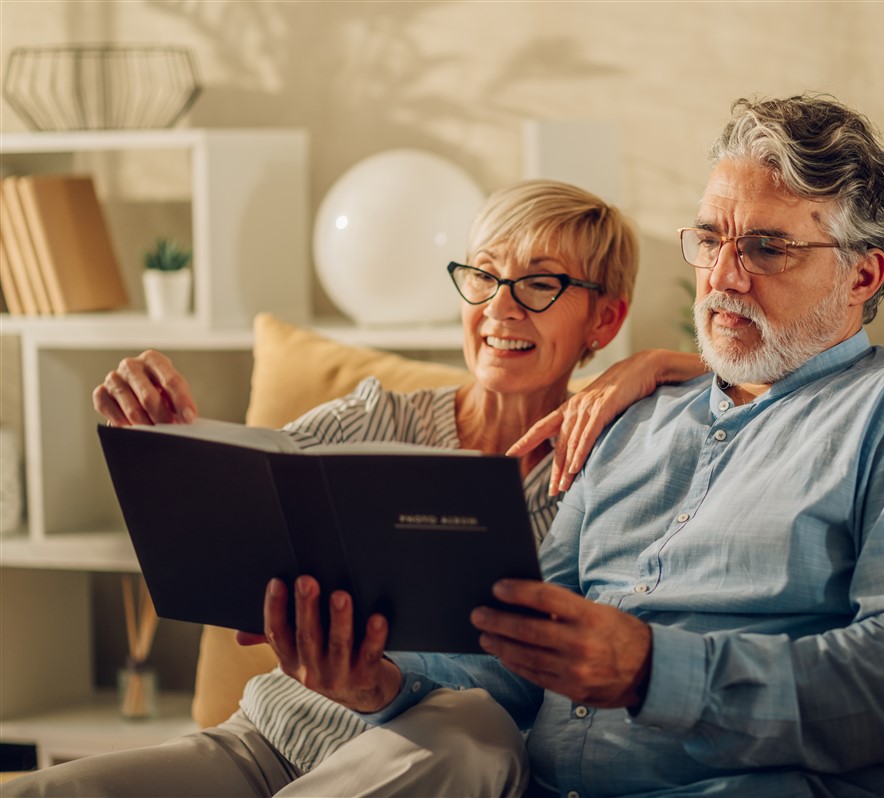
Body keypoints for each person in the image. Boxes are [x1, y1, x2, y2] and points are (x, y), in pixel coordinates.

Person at [313, 93, 884, 796]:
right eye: (711, 239)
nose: (723, 276)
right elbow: (520, 656)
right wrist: (381, 679)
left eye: (768, 247)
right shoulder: (632, 421)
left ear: (861, 275)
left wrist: (654, 672)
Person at [8, 179, 703, 797]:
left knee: (474, 728)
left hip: (439, 758)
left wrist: (653, 363)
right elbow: (248, 501)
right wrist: (169, 437)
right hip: (270, 742)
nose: (501, 307)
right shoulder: (376, 416)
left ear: (604, 321)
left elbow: (772, 387)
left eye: (540, 284)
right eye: (484, 276)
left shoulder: (612, 469)